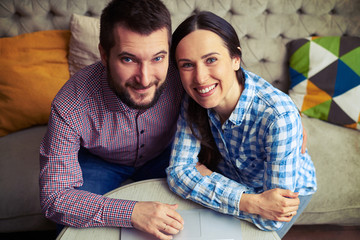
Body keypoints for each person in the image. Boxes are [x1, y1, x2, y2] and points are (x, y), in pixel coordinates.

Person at [39, 0, 184, 239]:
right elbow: (55, 197)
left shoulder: (183, 74)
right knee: (72, 226)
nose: (145, 79)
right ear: (105, 55)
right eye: (128, 59)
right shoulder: (69, 105)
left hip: (166, 155)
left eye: (158, 58)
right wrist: (131, 212)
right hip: (101, 161)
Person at [166, 11, 317, 239]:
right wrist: (249, 202)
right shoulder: (193, 97)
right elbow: (178, 172)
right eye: (187, 65)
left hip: (282, 194)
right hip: (237, 184)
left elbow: (271, 217)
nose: (200, 78)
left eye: (211, 60)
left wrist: (203, 177)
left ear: (236, 59)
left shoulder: (278, 117)